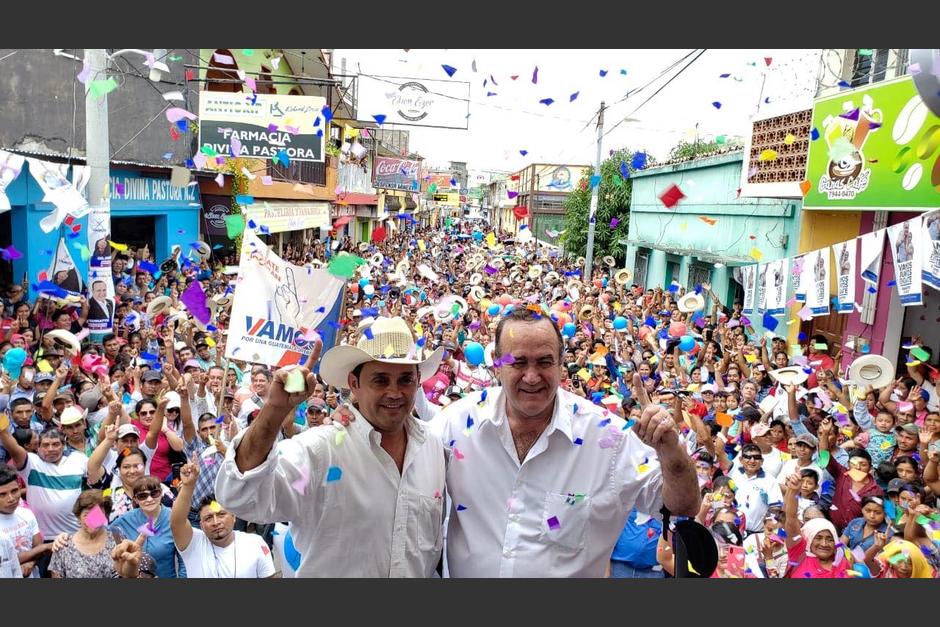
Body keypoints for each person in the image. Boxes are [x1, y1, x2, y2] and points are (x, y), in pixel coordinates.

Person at [427, 308, 700, 577]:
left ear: (561, 362)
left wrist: (672, 454)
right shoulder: (457, 423)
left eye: (544, 362)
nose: (531, 376)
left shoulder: (611, 439)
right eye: (518, 362)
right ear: (498, 363)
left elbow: (683, 506)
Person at [215, 318, 449, 577]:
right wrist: (274, 410)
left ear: (418, 381)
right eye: (380, 380)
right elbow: (240, 495)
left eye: (405, 380)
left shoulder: (433, 447)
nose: (394, 392)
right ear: (354, 384)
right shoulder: (320, 450)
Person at [171, 455, 275, 578]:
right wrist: (189, 485)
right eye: (208, 518)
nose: (216, 522)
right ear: (201, 525)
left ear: (234, 516)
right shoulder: (193, 544)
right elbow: (177, 523)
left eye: (221, 514)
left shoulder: (255, 543)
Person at [0, 417, 87, 542]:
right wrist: (2, 429)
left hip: (77, 534)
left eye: (56, 444)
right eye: (45, 445)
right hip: (45, 539)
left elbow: (94, 491)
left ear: (64, 445)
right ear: (38, 447)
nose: (51, 449)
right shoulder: (30, 463)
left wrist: (97, 527)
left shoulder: (79, 459)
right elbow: (12, 447)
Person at [49, 489, 155, 578]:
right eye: (86, 515)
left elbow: (129, 572)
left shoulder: (117, 538)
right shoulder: (63, 545)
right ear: (78, 517)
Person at [782, 472, 849, 578]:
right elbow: (791, 519)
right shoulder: (799, 553)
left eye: (830, 539)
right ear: (809, 538)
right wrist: (794, 490)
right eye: (818, 538)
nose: (824, 544)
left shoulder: (843, 562)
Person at [0, 466, 51, 577]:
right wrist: (43, 548)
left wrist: (31, 563)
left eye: (14, 491)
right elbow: (5, 561)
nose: (11, 498)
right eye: (2, 494)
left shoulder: (26, 514)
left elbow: (38, 547)